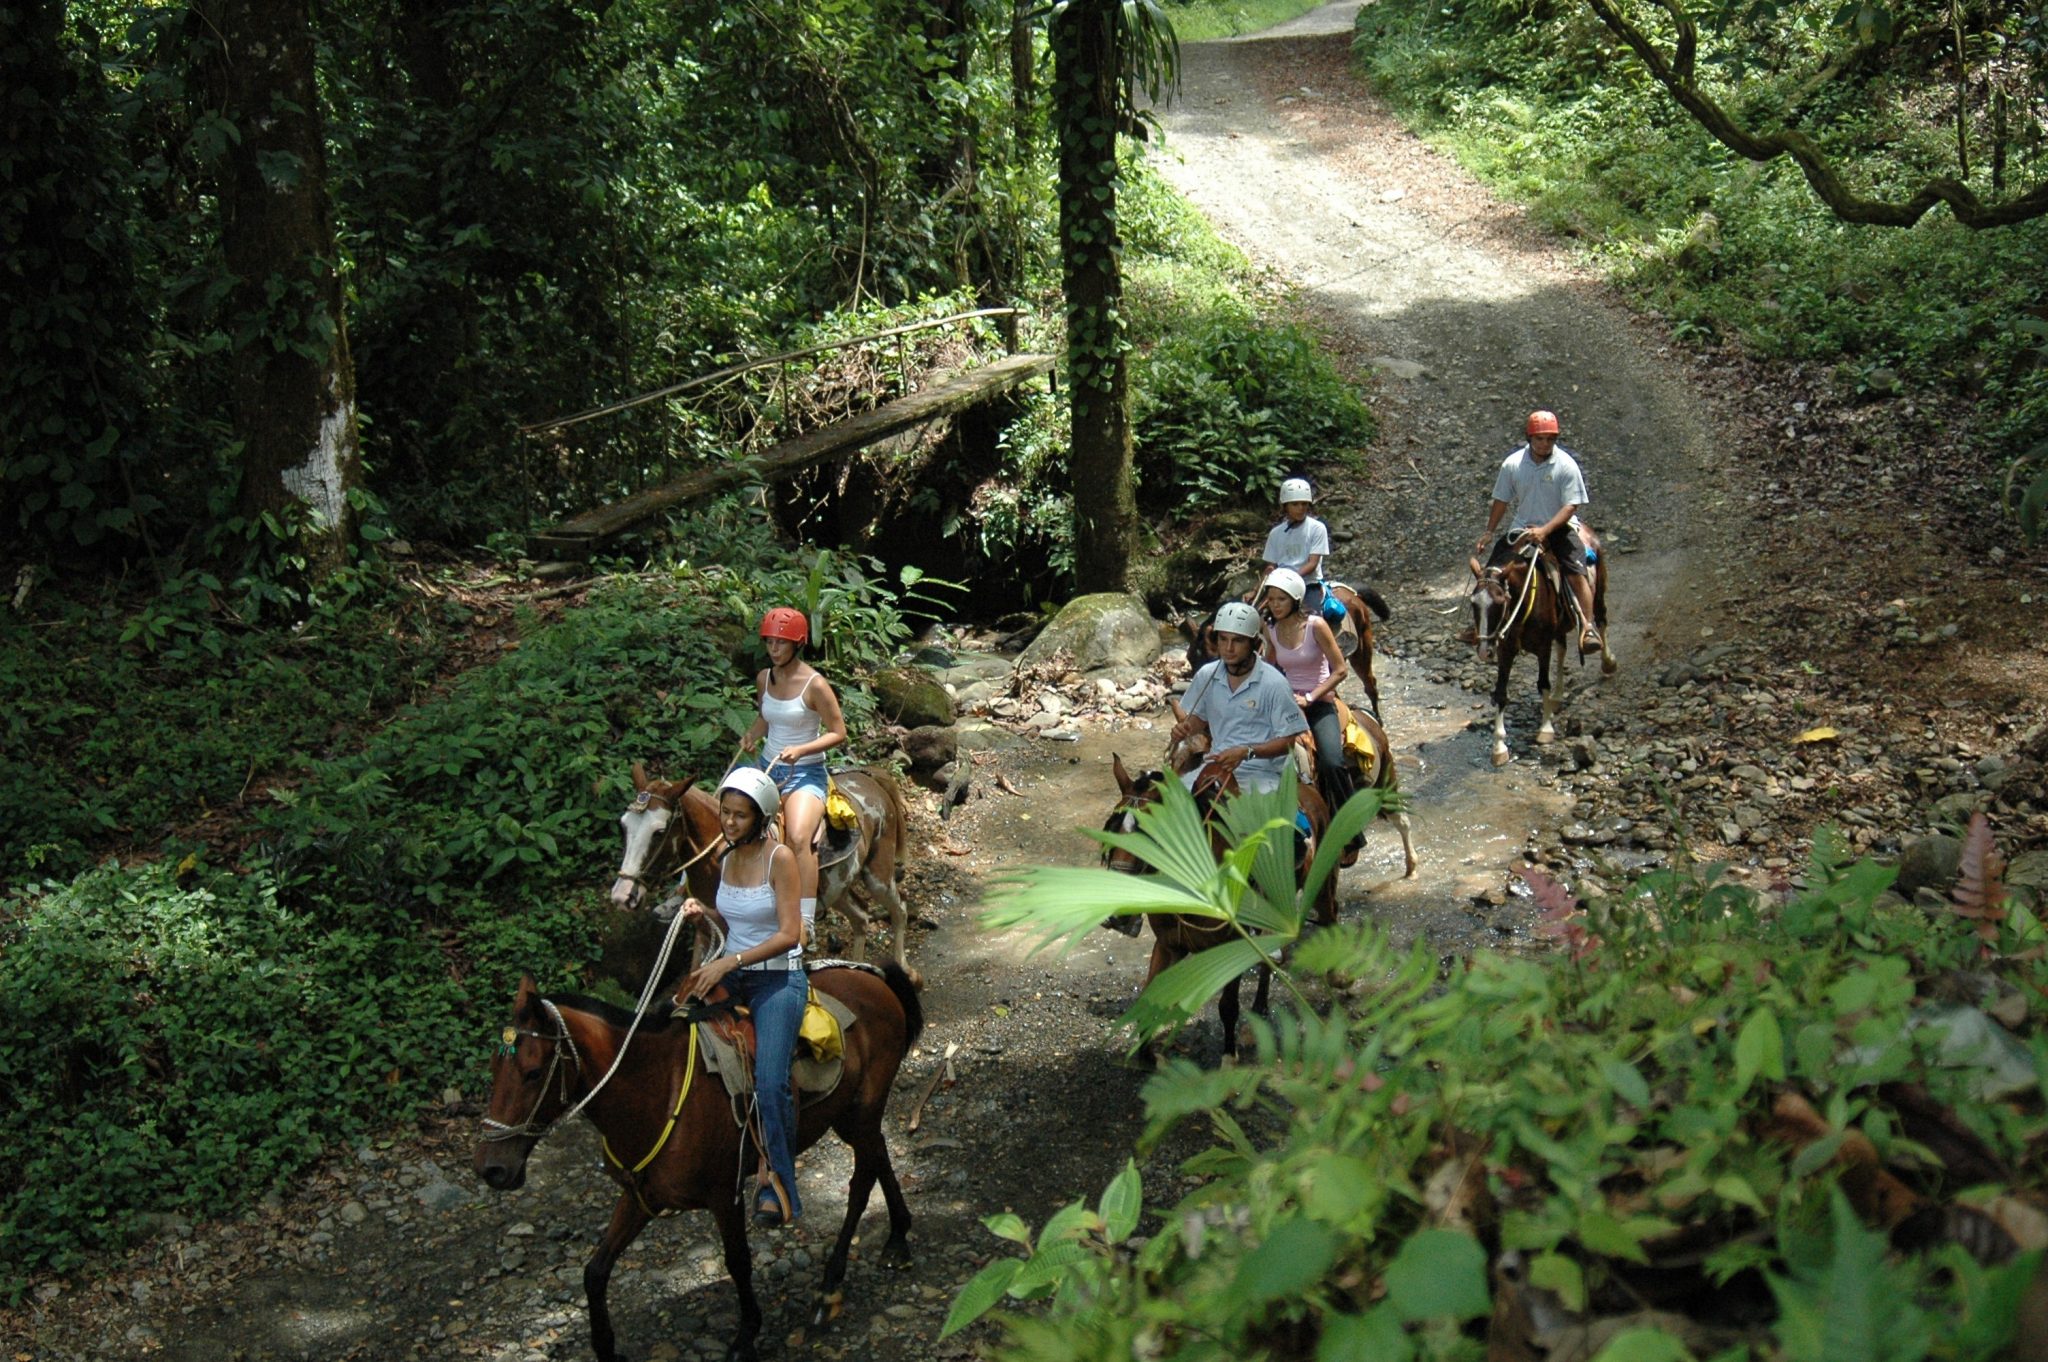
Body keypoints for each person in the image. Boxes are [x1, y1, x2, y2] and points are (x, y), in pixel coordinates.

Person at [675, 767, 807, 1227]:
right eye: (726, 813)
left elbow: (791, 934)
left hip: (776, 979)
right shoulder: (727, 859)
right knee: (674, 1027)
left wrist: (730, 963)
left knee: (770, 1081)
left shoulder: (781, 860)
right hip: (733, 970)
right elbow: (736, 920)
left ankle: (779, 1182)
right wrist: (703, 913)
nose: (728, 823)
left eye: (739, 816)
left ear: (761, 818)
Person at [739, 607, 846, 942]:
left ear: (796, 644)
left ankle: (806, 921)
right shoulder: (763, 678)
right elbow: (766, 717)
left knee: (799, 838)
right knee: (733, 821)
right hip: (768, 768)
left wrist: (802, 749)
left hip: (806, 772)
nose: (774, 649)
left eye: (781, 643)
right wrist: (752, 735)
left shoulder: (815, 685)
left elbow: (838, 732)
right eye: (770, 641)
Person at [1471, 410, 1601, 652]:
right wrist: (1489, 532)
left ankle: (1588, 625)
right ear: (1529, 438)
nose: (1545, 444)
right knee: (1489, 575)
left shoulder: (1565, 465)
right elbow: (1501, 500)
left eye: (1550, 439)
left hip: (1559, 528)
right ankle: (1482, 627)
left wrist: (1545, 530)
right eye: (1540, 439)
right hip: (1522, 528)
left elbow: (1571, 505)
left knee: (1575, 570)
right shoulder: (1512, 465)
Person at [1170, 601, 1308, 795]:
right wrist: (1184, 729)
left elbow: (1288, 741)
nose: (1228, 648)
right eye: (1223, 639)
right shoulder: (1206, 675)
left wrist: (1247, 752)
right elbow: (1198, 720)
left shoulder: (1274, 683)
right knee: (1170, 801)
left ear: (1254, 642)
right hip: (1215, 765)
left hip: (1262, 773)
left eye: (1238, 641)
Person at [1257, 569, 1356, 824]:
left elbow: (1340, 670)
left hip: (1319, 702)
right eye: (1272, 599)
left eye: (1282, 599)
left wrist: (1311, 697)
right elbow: (1270, 666)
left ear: (1295, 599)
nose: (1276, 605)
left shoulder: (1316, 626)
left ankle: (1350, 829)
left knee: (1331, 762)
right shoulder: (1272, 630)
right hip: (1289, 704)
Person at [1261, 477, 1331, 619]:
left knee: (1314, 619)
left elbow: (1312, 563)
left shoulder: (1317, 528)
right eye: (1295, 504)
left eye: (1304, 504)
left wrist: (1290, 580)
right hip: (1278, 586)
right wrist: (1259, 588)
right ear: (1285, 506)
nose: (1301, 508)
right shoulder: (1276, 533)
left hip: (1308, 584)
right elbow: (1271, 565)